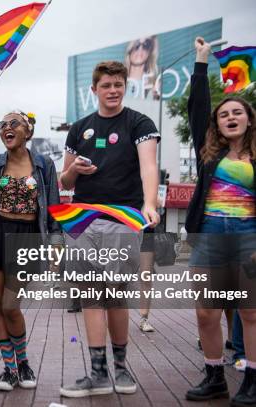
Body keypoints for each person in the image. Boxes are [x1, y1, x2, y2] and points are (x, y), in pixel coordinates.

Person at [59, 61, 160, 398]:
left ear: (125, 86)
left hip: (123, 217)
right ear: (94, 90)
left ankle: (121, 368)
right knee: (91, 295)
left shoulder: (139, 123)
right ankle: (98, 373)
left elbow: (149, 167)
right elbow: (64, 180)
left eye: (118, 84)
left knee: (115, 294)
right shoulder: (79, 129)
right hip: (84, 218)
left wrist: (149, 203)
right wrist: (75, 169)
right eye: (106, 85)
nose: (113, 90)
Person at [0, 84, 63, 391]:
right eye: (2, 124)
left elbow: (55, 209)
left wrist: (56, 247)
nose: (7, 128)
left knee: (10, 304)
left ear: (27, 131)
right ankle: (10, 369)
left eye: (13, 123)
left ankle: (24, 362)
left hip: (27, 238)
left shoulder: (44, 165)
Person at [183, 37, 256, 406]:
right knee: (206, 311)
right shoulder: (207, 154)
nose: (230, 117)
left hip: (249, 237)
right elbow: (197, 108)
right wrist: (200, 62)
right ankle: (215, 376)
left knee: (250, 311)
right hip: (210, 236)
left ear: (248, 119)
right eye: (224, 114)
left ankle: (252, 381)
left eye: (237, 113)